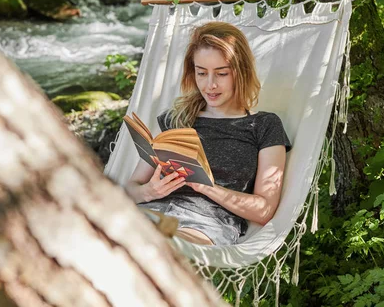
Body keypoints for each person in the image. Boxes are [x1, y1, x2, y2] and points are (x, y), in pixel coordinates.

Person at [125, 22, 292, 246]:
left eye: (221, 73)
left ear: (240, 73)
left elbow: (264, 210)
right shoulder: (175, 119)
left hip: (206, 224)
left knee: (162, 246)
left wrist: (207, 187)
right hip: (151, 213)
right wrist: (148, 192)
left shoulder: (263, 124)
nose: (210, 85)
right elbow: (131, 188)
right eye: (201, 73)